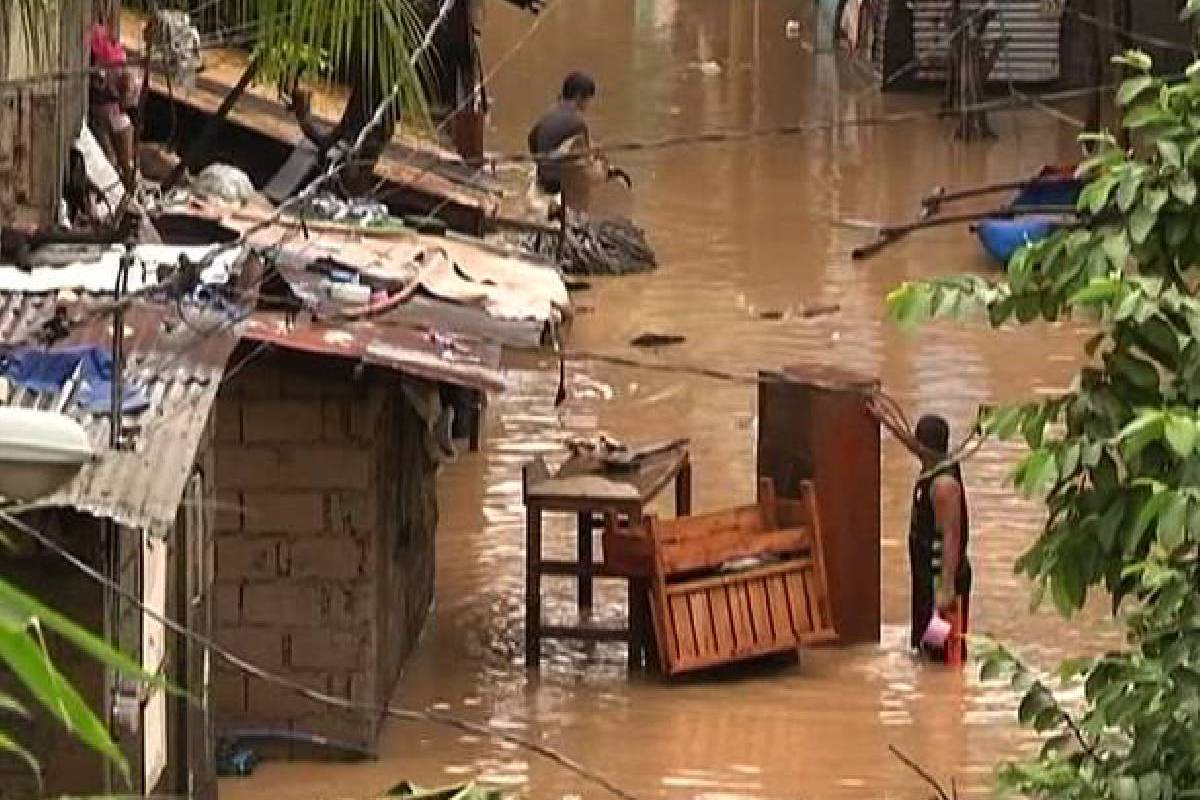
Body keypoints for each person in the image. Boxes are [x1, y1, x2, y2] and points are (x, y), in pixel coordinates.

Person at [869, 402, 972, 664]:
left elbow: (952, 536)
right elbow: (913, 446)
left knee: (945, 655)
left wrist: (946, 587)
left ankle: (942, 694)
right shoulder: (932, 462)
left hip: (942, 579)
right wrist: (886, 420)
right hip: (926, 574)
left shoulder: (944, 485)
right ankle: (927, 683)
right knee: (924, 645)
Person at [88, 9, 138, 186]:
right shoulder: (99, 44)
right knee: (109, 156)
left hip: (110, 108)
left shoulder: (116, 52)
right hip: (100, 109)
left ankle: (126, 171)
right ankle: (123, 173)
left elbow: (127, 98)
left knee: (123, 126)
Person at [527, 71, 597, 195]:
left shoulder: (546, 115)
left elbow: (531, 140)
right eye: (588, 100)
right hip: (559, 184)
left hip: (543, 178)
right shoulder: (578, 122)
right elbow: (587, 157)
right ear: (579, 96)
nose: (588, 105)